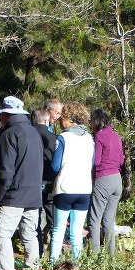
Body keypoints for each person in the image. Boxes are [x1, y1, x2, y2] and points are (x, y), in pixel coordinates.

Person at [0, 95, 43, 270]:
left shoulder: (9, 134)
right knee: (30, 235)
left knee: (0, 234)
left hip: (15, 194)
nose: (0, 118)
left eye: (1, 114)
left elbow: (5, 171)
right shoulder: (34, 132)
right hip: (34, 194)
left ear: (6, 114)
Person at [49, 102, 95, 260]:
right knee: (77, 233)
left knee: (58, 230)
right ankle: (78, 269)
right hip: (84, 190)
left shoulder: (63, 137)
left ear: (70, 118)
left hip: (65, 189)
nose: (61, 120)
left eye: (63, 117)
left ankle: (52, 266)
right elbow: (92, 163)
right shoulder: (89, 138)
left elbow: (55, 166)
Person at [89, 109, 125, 254]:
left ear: (97, 121)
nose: (90, 123)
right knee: (108, 221)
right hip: (117, 180)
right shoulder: (116, 135)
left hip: (103, 178)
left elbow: (96, 160)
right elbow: (122, 160)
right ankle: (111, 257)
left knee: (94, 220)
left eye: (91, 121)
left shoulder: (99, 135)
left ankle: (95, 257)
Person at [31, 107, 58, 252]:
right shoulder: (53, 138)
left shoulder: (27, 134)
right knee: (53, 220)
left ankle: (38, 252)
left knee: (34, 221)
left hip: (31, 182)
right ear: (46, 120)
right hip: (48, 181)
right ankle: (54, 253)